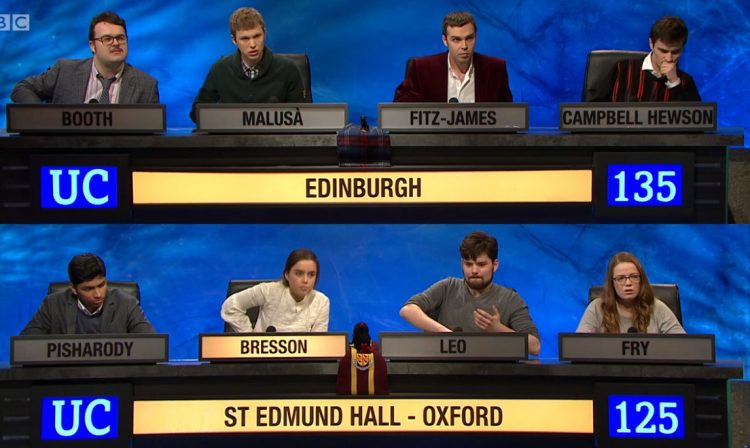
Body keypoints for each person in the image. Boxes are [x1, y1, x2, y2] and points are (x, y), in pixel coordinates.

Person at [400, 231, 541, 355]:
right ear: (462, 264)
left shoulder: (511, 299)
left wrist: (498, 328)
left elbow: (535, 347)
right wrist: (446, 334)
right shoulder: (448, 287)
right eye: (468, 264)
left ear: (495, 265)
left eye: (481, 264)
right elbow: (408, 310)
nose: (474, 270)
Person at [11, 11, 159, 104]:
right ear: (92, 46)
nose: (115, 43)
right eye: (107, 39)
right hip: (67, 152)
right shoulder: (64, 71)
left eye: (120, 38)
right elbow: (22, 88)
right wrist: (44, 119)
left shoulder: (146, 85)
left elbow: (150, 140)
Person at [189, 7, 305, 122]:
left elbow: (302, 117)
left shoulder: (287, 69)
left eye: (257, 36)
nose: (252, 44)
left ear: (264, 33)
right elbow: (197, 114)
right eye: (245, 38)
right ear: (234, 40)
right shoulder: (220, 69)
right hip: (231, 140)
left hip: (276, 140)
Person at [393, 11, 512, 103]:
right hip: (436, 135)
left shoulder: (496, 68)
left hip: (482, 136)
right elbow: (401, 108)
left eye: (469, 38)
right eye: (456, 40)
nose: (464, 46)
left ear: (476, 37)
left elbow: (507, 116)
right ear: (445, 40)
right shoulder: (421, 68)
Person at [21, 253, 156, 335]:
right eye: (89, 289)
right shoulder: (52, 305)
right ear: (73, 288)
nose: (98, 294)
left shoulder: (127, 303)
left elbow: (151, 344)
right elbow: (26, 347)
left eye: (101, 285)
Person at [593, 16, 701, 102]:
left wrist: (674, 83)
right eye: (663, 51)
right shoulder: (622, 69)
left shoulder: (685, 82)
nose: (669, 58)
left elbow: (694, 125)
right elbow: (592, 110)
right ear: (651, 44)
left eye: (675, 52)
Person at [221, 248, 329, 332]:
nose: (305, 280)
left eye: (311, 274)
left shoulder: (321, 302)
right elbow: (230, 306)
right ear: (287, 274)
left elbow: (318, 344)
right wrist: (250, 337)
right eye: (299, 273)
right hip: (261, 359)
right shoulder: (267, 291)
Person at [576, 252, 685, 334]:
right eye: (621, 278)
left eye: (634, 277)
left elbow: (683, 346)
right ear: (612, 283)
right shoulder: (597, 308)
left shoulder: (657, 307)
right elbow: (580, 346)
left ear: (641, 280)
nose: (628, 283)